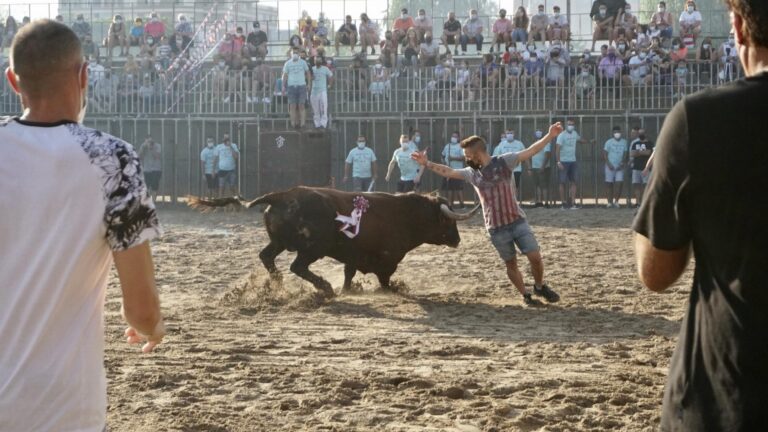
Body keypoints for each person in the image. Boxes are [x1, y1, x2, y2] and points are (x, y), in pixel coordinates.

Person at [0, 20, 164, 432]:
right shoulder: (114, 160)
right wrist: (152, 327)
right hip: (65, 408)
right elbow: (140, 308)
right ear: (83, 75)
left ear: (13, 81)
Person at [634, 1, 768, 429]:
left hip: (729, 392)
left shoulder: (700, 120)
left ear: (739, 28)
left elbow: (656, 273)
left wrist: (665, 179)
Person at [412, 124, 563, 306]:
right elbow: (449, 171)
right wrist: (427, 164)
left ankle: (539, 287)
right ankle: (526, 295)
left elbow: (531, 151)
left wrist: (549, 136)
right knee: (511, 264)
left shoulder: (505, 161)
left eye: (468, 155)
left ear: (478, 153)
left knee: (535, 258)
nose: (466, 159)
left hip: (517, 220)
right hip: (496, 228)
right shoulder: (471, 173)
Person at [556, 120, 593, 209]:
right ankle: (563, 203)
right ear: (566, 125)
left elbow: (580, 140)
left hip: (573, 161)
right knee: (562, 182)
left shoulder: (574, 133)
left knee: (574, 182)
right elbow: (557, 148)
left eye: (572, 124)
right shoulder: (561, 135)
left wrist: (589, 141)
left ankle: (572, 203)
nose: (571, 126)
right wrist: (558, 161)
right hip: (563, 162)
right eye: (569, 124)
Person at [493, 129, 526, 199]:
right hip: (504, 170)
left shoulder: (519, 143)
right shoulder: (501, 144)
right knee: (505, 187)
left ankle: (515, 202)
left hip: (517, 169)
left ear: (514, 134)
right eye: (508, 133)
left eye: (511, 133)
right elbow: (496, 156)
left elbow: (525, 154)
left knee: (515, 187)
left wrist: (528, 167)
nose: (509, 135)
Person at [282, 49, 310, 129]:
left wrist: (309, 84)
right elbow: (285, 75)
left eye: (296, 52)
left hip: (302, 86)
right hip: (291, 87)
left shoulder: (303, 62)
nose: (295, 54)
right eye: (293, 52)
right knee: (292, 105)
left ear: (299, 54)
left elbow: (308, 73)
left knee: (301, 105)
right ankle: (293, 124)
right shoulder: (287, 63)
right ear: (291, 53)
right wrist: (283, 86)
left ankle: (302, 124)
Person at [603, 126, 627, 208]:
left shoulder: (624, 142)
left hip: (620, 167)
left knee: (619, 183)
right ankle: (609, 202)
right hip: (610, 166)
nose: (617, 134)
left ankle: (616, 201)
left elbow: (625, 154)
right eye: (615, 132)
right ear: (613, 133)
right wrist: (609, 164)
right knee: (609, 184)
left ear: (621, 132)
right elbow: (605, 154)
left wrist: (622, 163)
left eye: (618, 132)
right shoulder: (608, 142)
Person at [526, 129, 551, 207]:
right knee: (537, 185)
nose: (538, 135)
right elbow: (529, 154)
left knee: (544, 185)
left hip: (543, 167)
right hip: (535, 167)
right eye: (537, 133)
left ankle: (546, 202)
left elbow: (547, 154)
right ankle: (539, 202)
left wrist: (543, 166)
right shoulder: (533, 144)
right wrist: (530, 167)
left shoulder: (546, 142)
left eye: (540, 133)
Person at [629, 129, 653, 207]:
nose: (641, 134)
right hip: (636, 167)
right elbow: (632, 154)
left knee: (645, 185)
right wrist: (642, 152)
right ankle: (638, 202)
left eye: (642, 133)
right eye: (639, 133)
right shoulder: (635, 143)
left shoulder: (650, 143)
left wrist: (638, 152)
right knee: (636, 185)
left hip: (646, 168)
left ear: (645, 134)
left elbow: (649, 152)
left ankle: (644, 202)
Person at [441, 131, 466, 207]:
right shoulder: (447, 146)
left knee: (458, 189)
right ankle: (450, 205)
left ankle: (462, 205)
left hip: (457, 171)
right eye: (452, 136)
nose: (453, 138)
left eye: (455, 137)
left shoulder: (460, 146)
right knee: (449, 189)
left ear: (458, 138)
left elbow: (463, 157)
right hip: (448, 170)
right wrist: (444, 163)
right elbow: (442, 156)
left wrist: (453, 158)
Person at [309, 55, 333, 129]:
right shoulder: (312, 69)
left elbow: (331, 76)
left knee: (323, 108)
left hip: (322, 90)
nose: (317, 61)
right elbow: (310, 78)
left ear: (321, 61)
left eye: (319, 60)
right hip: (314, 91)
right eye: (316, 60)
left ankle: (323, 124)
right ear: (314, 61)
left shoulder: (325, 69)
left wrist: (329, 85)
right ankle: (317, 124)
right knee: (315, 109)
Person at [139, 136, 162, 202]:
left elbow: (157, 156)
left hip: (156, 169)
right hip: (146, 169)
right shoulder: (143, 146)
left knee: (154, 186)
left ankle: (154, 202)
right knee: (146, 186)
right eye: (147, 142)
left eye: (150, 141)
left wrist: (151, 148)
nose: (148, 143)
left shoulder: (157, 146)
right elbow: (140, 157)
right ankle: (147, 202)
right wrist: (143, 149)